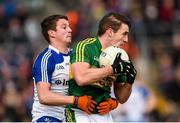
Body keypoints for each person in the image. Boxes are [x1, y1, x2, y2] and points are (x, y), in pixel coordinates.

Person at [66, 12, 137, 122]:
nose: (126, 40)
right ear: (110, 32)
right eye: (124, 34)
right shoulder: (86, 46)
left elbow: (122, 98)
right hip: (79, 112)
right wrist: (111, 69)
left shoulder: (120, 56)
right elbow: (81, 78)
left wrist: (129, 82)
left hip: (104, 114)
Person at [31, 14, 96, 122]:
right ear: (52, 33)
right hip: (47, 117)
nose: (70, 30)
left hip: (72, 115)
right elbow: (44, 97)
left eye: (69, 26)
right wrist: (75, 100)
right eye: (64, 27)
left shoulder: (77, 56)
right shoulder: (45, 59)